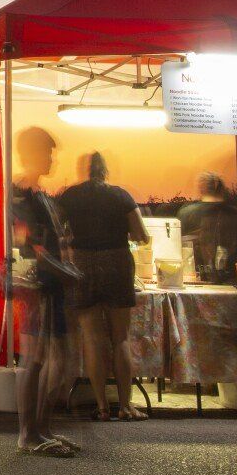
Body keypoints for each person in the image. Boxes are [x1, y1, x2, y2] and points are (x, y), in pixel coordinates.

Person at [56, 151, 150, 421]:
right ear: (106, 170)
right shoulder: (120, 195)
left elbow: (56, 227)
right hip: (116, 263)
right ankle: (125, 406)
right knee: (120, 338)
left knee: (92, 338)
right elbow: (141, 235)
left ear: (84, 169)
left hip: (82, 264)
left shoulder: (71, 196)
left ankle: (102, 407)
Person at [9, 126, 78, 458]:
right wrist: (62, 269)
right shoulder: (22, 195)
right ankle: (28, 433)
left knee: (59, 360)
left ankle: (43, 428)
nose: (51, 157)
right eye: (46, 152)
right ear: (30, 154)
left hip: (52, 281)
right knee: (34, 359)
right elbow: (27, 245)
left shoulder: (40, 194)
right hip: (37, 282)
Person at [177, 171, 237, 284]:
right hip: (232, 279)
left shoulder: (187, 213)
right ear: (222, 189)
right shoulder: (236, 214)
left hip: (195, 275)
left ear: (201, 189)